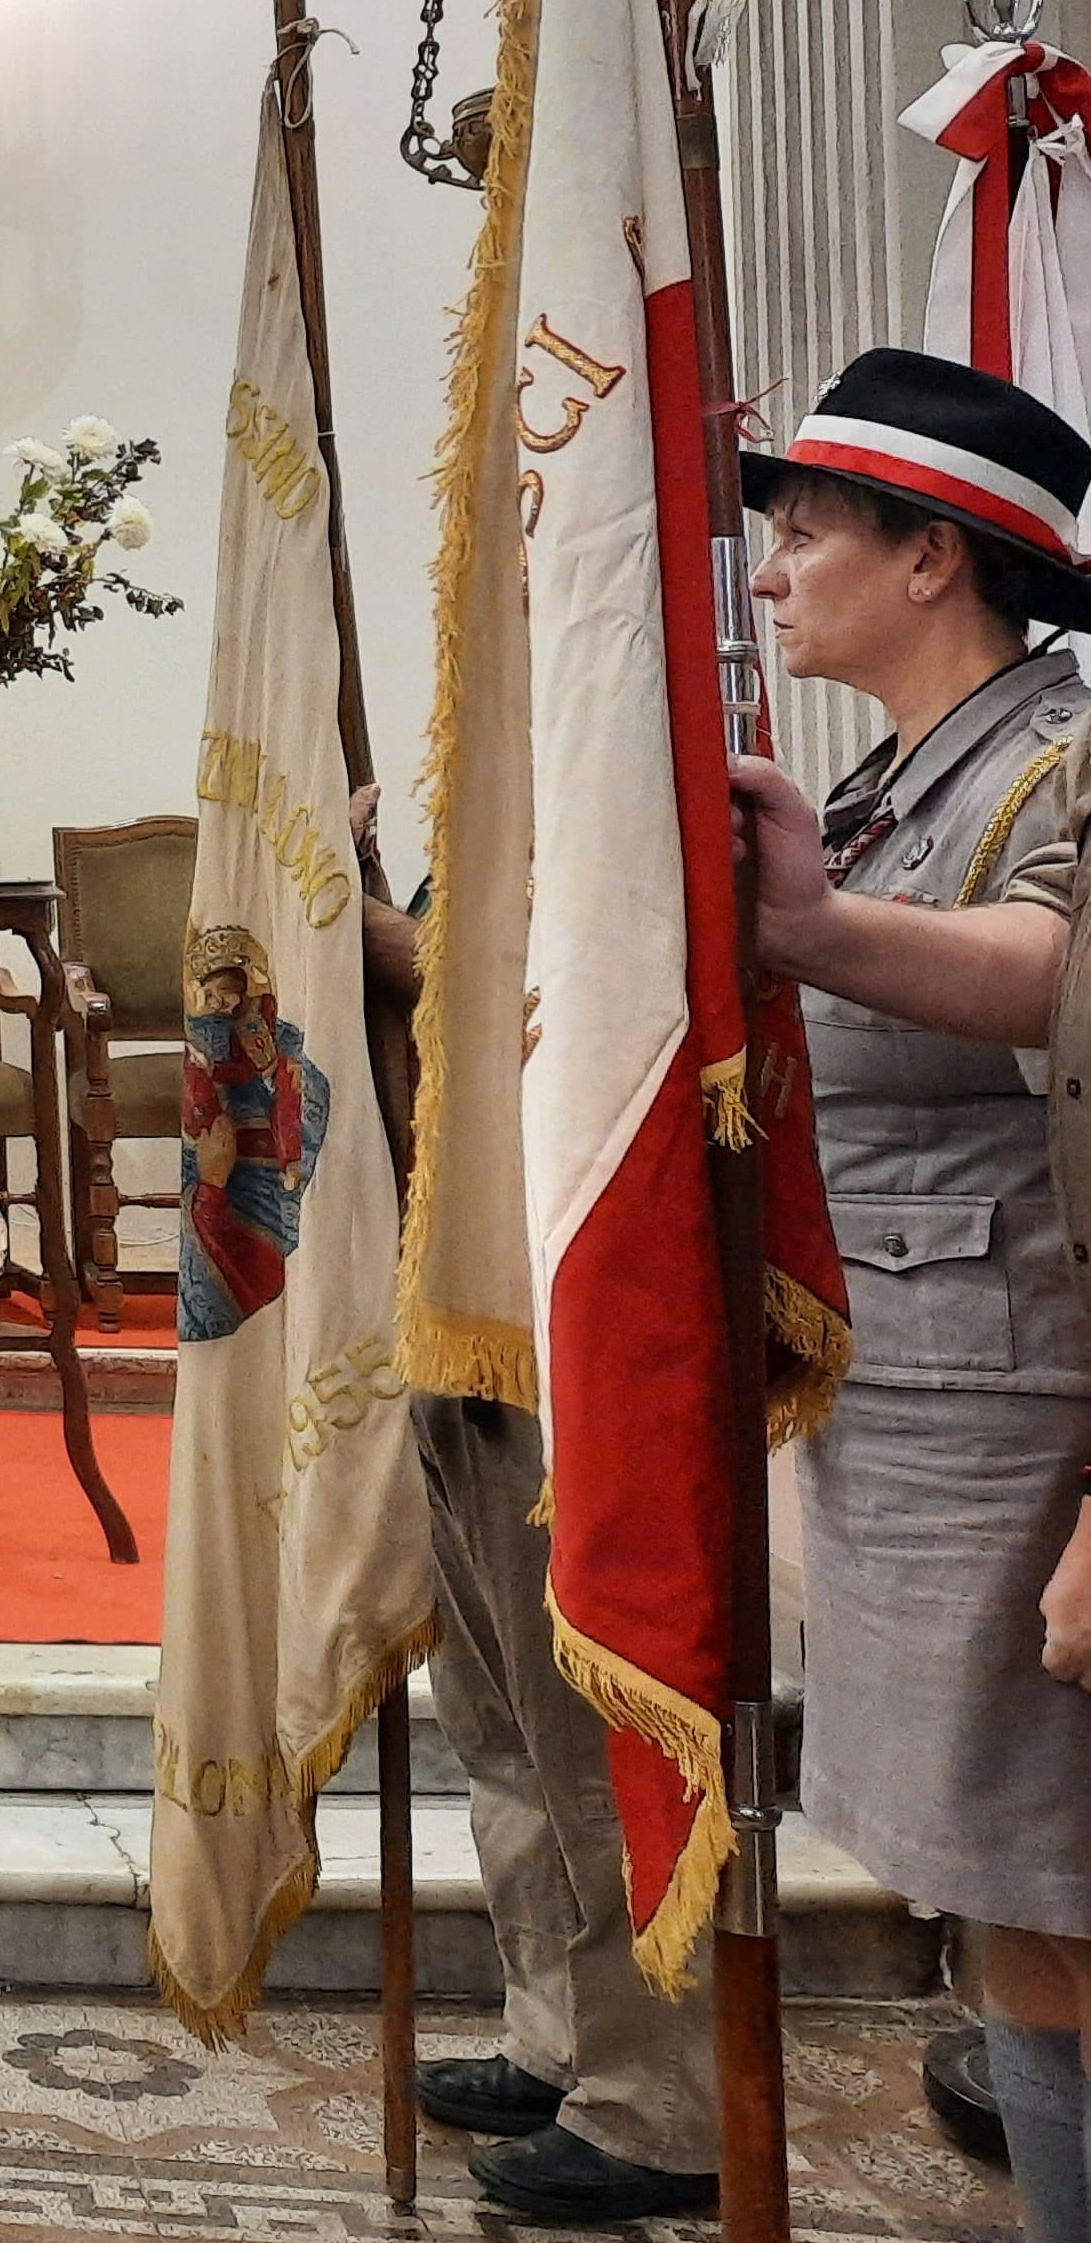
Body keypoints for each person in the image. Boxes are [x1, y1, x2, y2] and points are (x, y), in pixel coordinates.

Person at [721, 350, 1091, 2242]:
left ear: (935, 556)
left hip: (1027, 1416)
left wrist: (805, 927)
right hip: (920, 1393)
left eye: (805, 537)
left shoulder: (1061, 757)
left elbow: (1048, 973)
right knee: (1016, 1893)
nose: (772, 578)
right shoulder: (901, 773)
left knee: (1054, 1895)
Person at [350, 791, 723, 2226]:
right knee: (495, 1712)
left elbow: (514, 1015)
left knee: (580, 1730)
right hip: (465, 1294)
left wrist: (355, 914)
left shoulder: (617, 785)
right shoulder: (524, 780)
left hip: (560, 1322)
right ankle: (561, 2040)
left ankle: (660, 2103)